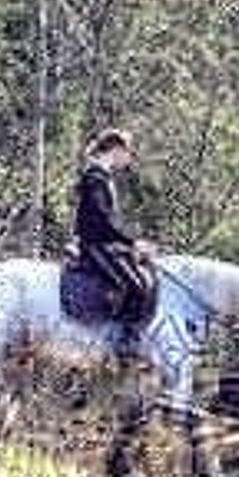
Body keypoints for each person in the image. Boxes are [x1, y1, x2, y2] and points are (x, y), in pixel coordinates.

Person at [74, 128, 158, 343]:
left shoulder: (103, 177)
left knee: (143, 280)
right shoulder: (94, 178)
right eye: (128, 153)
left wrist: (130, 244)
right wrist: (133, 242)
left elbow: (110, 222)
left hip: (106, 244)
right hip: (95, 245)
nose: (129, 159)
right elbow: (102, 220)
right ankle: (121, 341)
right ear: (117, 150)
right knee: (134, 286)